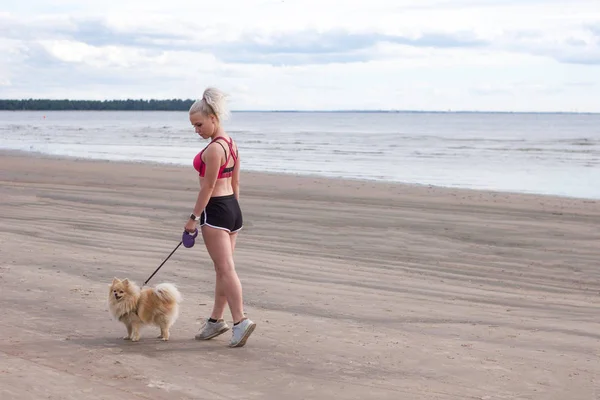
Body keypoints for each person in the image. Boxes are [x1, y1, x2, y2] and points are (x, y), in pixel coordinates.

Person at [184, 87, 256, 348]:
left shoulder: (215, 149)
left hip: (216, 211)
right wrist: (233, 212)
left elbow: (208, 187)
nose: (197, 131)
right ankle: (216, 320)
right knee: (222, 269)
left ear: (213, 117)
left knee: (225, 269)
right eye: (194, 126)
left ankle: (240, 321)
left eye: (199, 124)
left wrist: (193, 218)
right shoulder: (232, 144)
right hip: (232, 210)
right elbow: (236, 182)